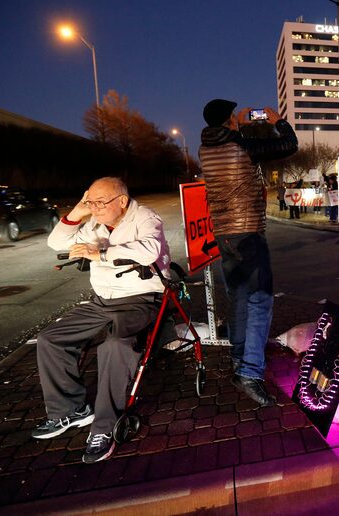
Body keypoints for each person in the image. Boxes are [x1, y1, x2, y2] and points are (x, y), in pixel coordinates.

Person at [32, 177, 171, 464]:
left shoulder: (144, 217)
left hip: (141, 298)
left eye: (100, 202)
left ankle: (105, 427)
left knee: (114, 345)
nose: (94, 208)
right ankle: (69, 411)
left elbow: (150, 250)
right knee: (50, 339)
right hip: (102, 301)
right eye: (90, 202)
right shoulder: (94, 222)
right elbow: (55, 241)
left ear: (121, 200)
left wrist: (101, 252)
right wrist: (77, 213)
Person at [199, 99, 298, 406]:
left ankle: (239, 358)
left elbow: (232, 145)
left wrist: (236, 126)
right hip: (247, 233)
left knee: (240, 298)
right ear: (228, 122)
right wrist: (276, 121)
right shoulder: (241, 146)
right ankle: (250, 373)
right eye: (233, 117)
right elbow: (288, 145)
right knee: (259, 301)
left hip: (225, 234)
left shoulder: (205, 148)